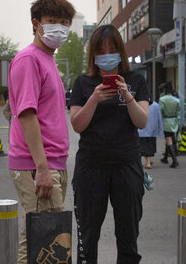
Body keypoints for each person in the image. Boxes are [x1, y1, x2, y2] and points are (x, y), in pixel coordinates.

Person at [68, 25, 150, 263]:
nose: (107, 55)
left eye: (112, 49)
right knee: (88, 233)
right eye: (101, 50)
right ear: (93, 54)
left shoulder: (135, 80)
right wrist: (93, 98)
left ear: (120, 51)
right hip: (91, 166)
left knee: (128, 234)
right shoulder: (83, 83)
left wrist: (127, 96)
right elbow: (77, 124)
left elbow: (142, 121)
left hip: (127, 165)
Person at [7, 0, 75, 264]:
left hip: (51, 163)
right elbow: (27, 115)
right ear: (36, 24)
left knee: (42, 236)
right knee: (46, 240)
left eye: (64, 22)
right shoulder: (29, 60)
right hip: (37, 164)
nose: (59, 27)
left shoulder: (48, 60)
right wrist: (43, 168)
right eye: (52, 21)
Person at [158, 82, 181, 168]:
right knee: (170, 138)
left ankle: (175, 160)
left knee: (168, 139)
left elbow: (161, 111)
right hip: (174, 121)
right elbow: (179, 113)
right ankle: (165, 158)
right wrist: (178, 123)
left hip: (166, 121)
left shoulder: (162, 99)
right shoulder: (177, 100)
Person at [139, 97, 163, 169]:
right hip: (152, 130)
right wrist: (160, 130)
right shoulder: (156, 105)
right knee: (150, 146)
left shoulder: (139, 104)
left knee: (141, 147)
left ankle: (147, 163)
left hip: (141, 130)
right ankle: (149, 162)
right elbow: (159, 118)